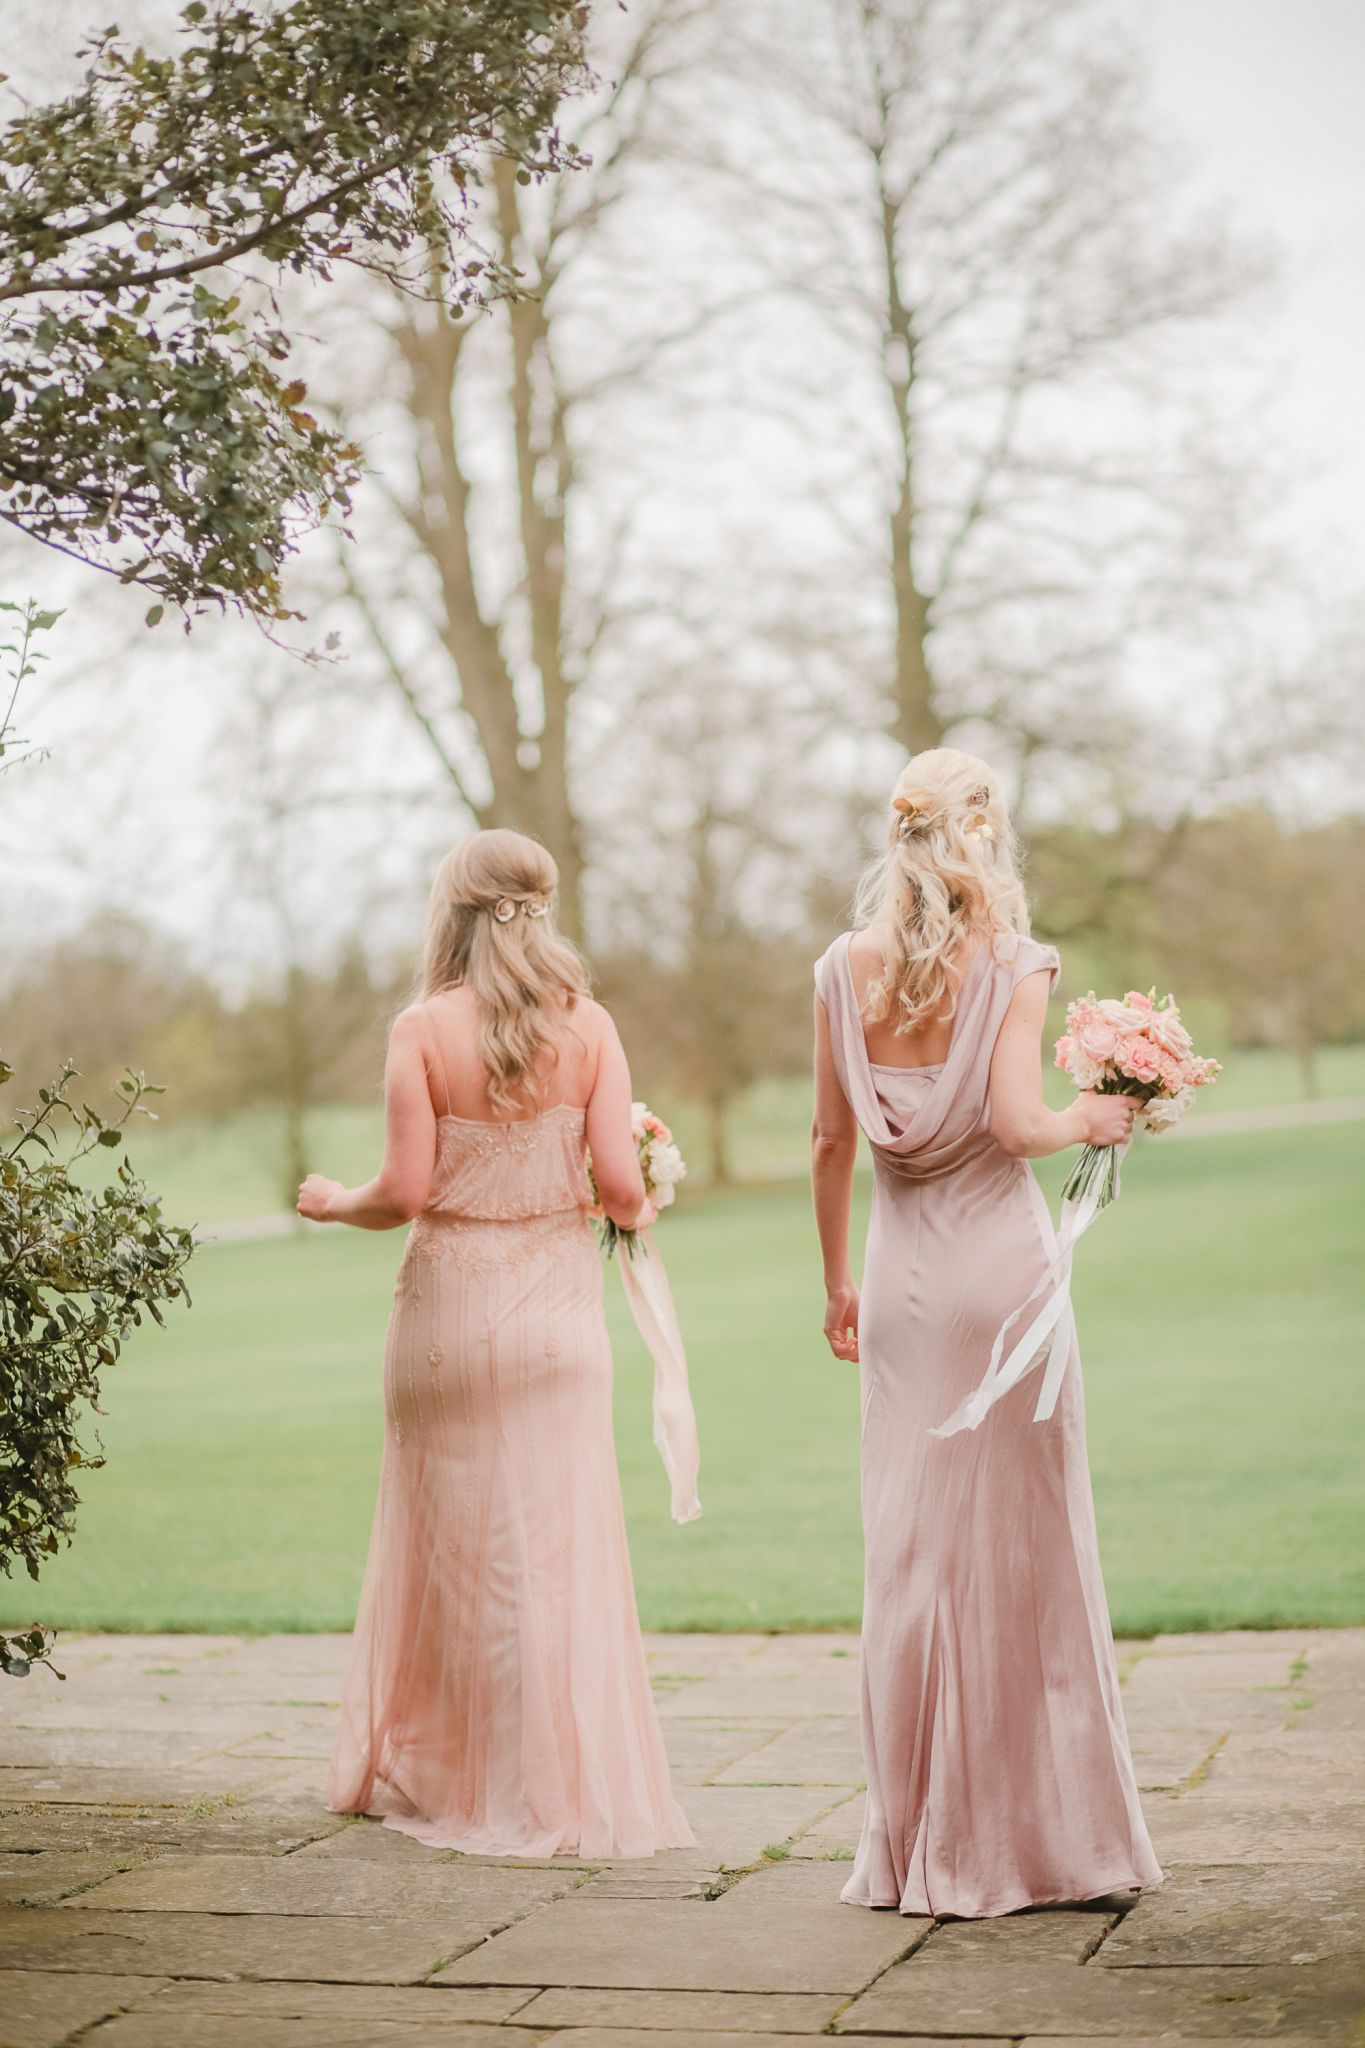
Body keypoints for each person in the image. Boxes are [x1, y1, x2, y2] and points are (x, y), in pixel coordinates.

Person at [811, 747, 1161, 1919]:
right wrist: (1093, 1113)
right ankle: (1038, 1838)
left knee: (910, 1549)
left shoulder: (837, 968)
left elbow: (828, 1143)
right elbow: (1016, 1123)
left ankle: (915, 1844)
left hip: (900, 1274)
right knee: (1025, 1548)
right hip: (1002, 1280)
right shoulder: (1014, 959)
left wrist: (833, 1285)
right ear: (985, 832)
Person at [298, 828, 694, 1859]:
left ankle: (453, 1773)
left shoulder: (422, 1029)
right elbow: (619, 1190)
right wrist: (638, 1184)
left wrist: (334, 1201)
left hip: (444, 1328)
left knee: (452, 1560)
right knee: (552, 1561)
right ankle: (552, 1785)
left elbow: (403, 1192)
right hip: (559, 1328)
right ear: (539, 908)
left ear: (453, 912)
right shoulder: (591, 1025)